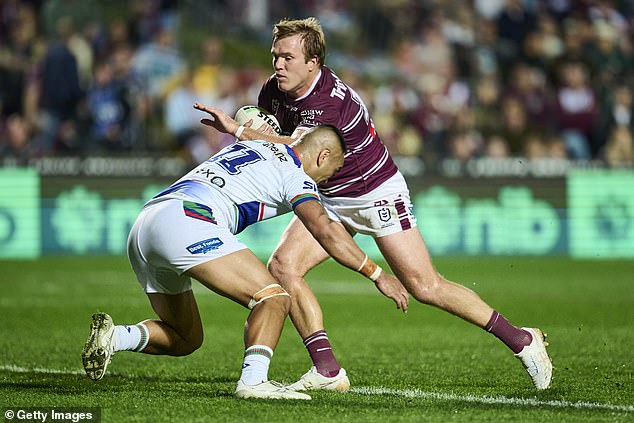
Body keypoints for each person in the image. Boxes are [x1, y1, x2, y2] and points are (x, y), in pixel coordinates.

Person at [194, 17, 552, 391]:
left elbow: (300, 149)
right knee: (284, 267)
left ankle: (521, 339)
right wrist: (257, 129)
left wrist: (239, 130)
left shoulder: (329, 103)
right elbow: (279, 143)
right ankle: (327, 370)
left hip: (374, 192)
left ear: (313, 63)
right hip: (330, 195)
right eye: (275, 57)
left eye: (288, 58)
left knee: (425, 286)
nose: (279, 65)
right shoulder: (274, 89)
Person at [81, 122, 409, 400]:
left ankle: (114, 337)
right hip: (188, 219)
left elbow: (257, 133)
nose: (327, 180)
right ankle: (254, 382)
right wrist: (377, 273)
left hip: (146, 224)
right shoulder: (297, 176)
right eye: (333, 169)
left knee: (185, 337)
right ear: (322, 155)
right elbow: (325, 231)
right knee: (275, 297)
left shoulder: (256, 145)